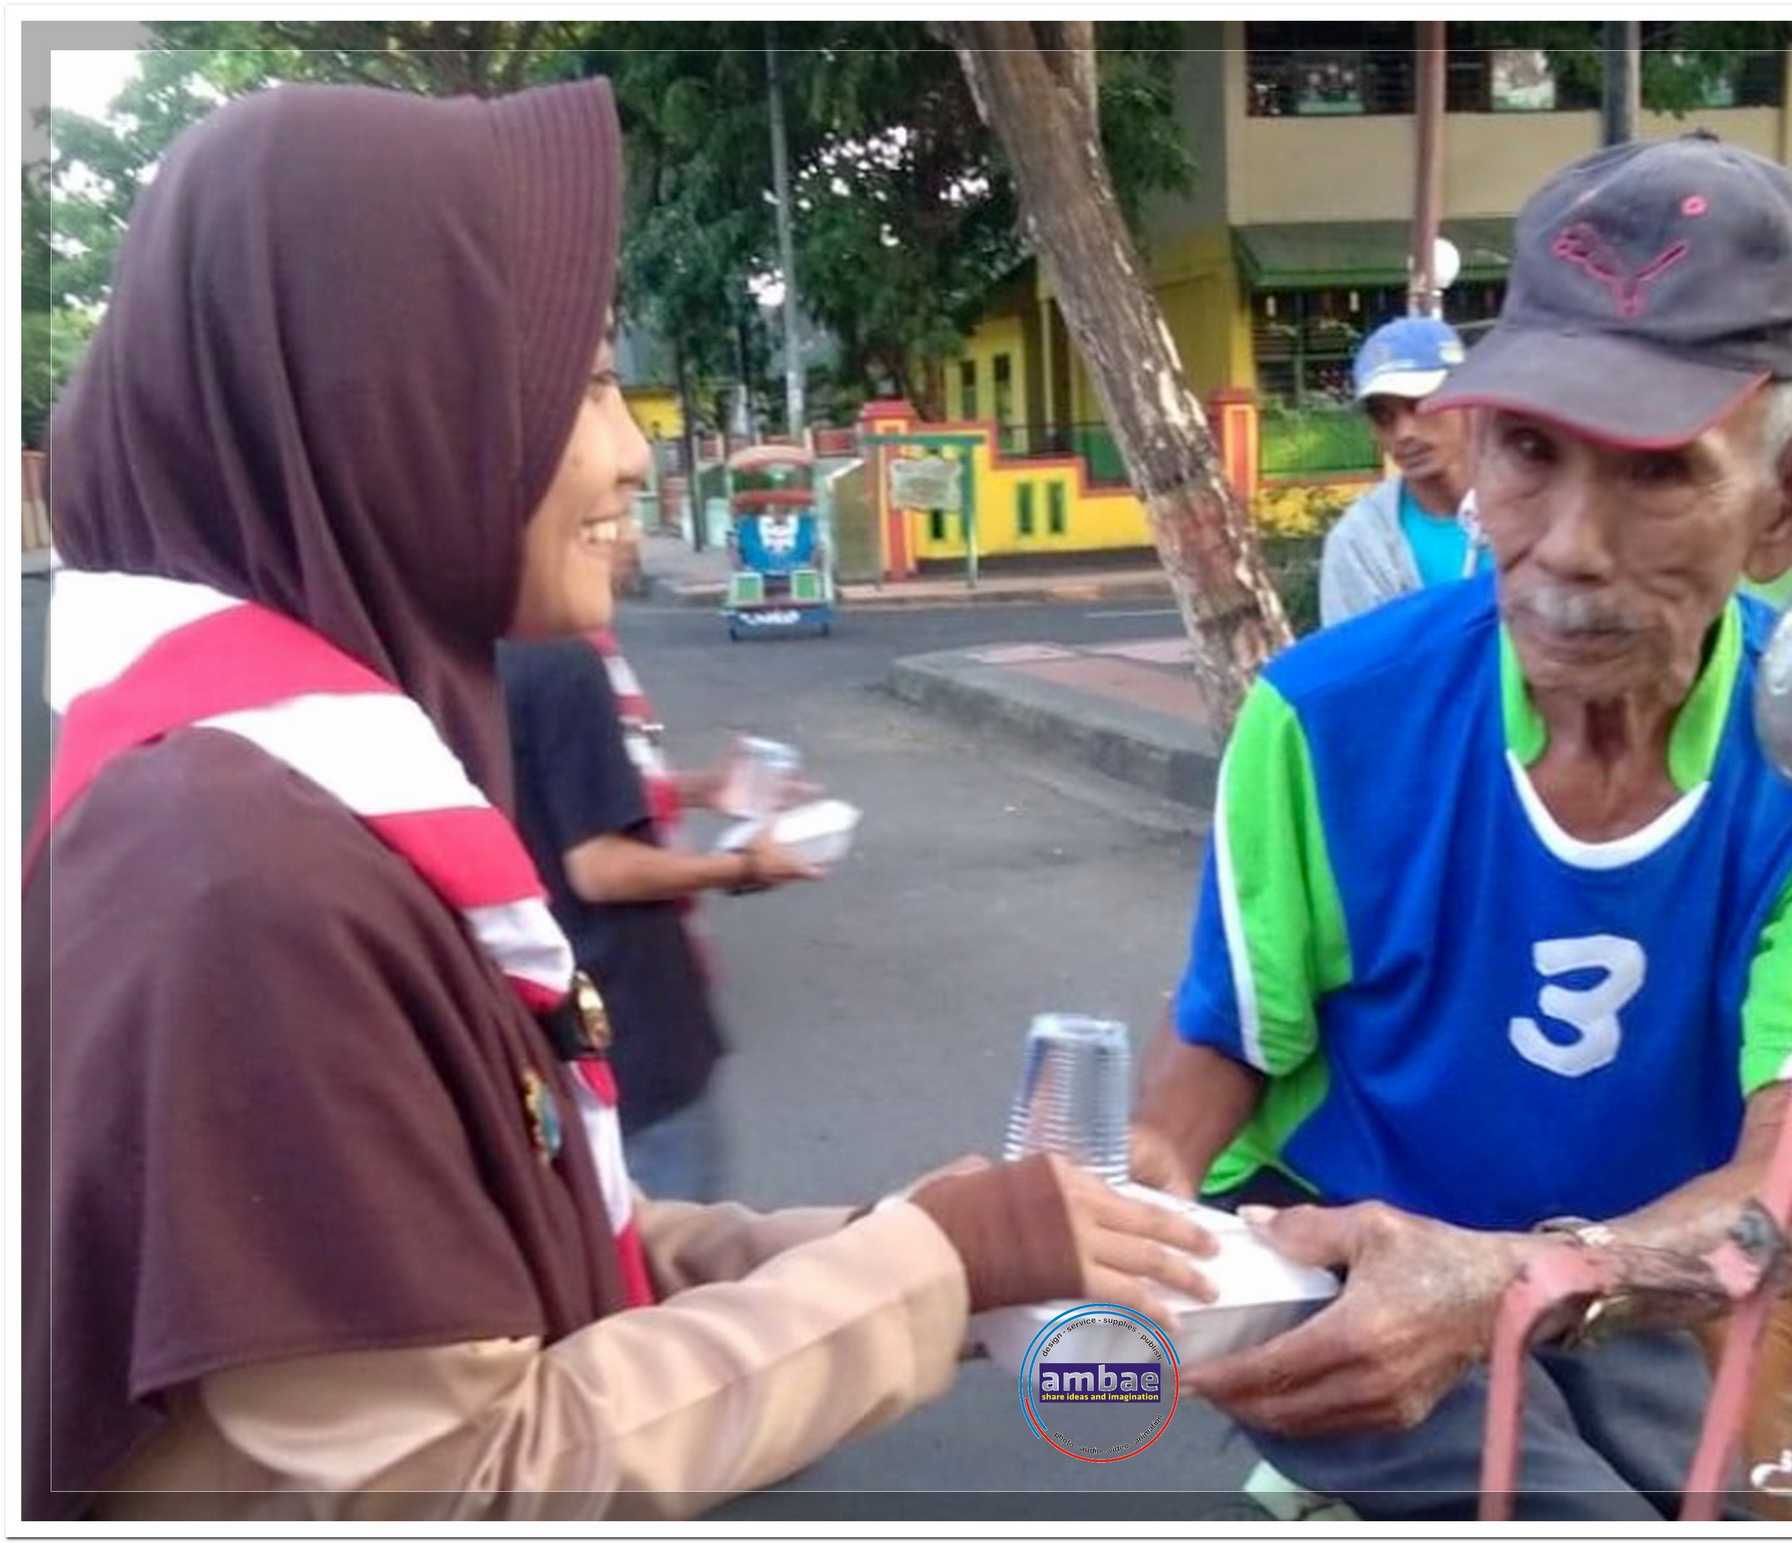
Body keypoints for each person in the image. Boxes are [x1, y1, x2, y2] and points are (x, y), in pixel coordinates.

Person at [25, 79, 1215, 1520]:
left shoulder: (303, 789)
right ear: (389, 394)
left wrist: (959, 1245)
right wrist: (940, 1258)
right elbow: (459, 1473)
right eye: (579, 383)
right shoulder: (233, 868)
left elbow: (513, 1257)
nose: (635, 452)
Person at [1131, 134, 1792, 1519]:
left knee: (1689, 1492)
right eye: (1527, 450)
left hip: (1618, 1263)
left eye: (1655, 473)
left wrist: (1510, 1277)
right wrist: (1137, 1199)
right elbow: (1228, 1031)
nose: (1569, 540)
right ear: (1470, 453)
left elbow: (1791, 1194)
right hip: (1327, 1237)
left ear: (1791, 504)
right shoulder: (1325, 715)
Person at [498, 629, 816, 1203]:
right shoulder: (562, 660)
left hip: (577, 1013)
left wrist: (701, 788)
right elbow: (596, 865)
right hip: (633, 1014)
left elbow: (575, 796)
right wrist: (742, 866)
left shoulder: (503, 651)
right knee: (685, 1246)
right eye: (591, 534)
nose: (621, 541)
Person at [1317, 315, 1481, 626]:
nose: (1403, 433)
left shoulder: (1533, 506)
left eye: (1419, 404)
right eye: (1383, 416)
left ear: (1467, 396)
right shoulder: (1359, 542)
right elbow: (1361, 664)